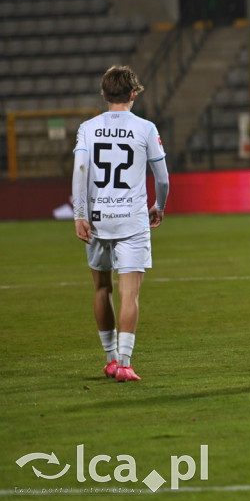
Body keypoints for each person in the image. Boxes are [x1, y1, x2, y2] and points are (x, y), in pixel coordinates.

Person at [72, 66, 169, 383]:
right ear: (133, 94)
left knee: (102, 289)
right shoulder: (145, 128)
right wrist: (159, 206)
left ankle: (110, 359)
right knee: (130, 295)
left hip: (98, 220)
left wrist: (80, 214)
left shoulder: (88, 128)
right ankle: (125, 363)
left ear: (103, 95)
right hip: (131, 220)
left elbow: (81, 171)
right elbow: (163, 178)